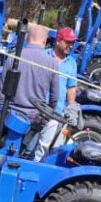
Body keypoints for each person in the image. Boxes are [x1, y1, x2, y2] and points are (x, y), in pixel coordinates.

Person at [34, 27, 79, 158]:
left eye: (72, 43)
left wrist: (71, 106)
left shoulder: (72, 63)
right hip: (35, 108)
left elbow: (71, 87)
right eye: (68, 42)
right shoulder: (43, 55)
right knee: (27, 142)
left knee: (43, 147)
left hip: (55, 113)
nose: (70, 46)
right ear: (58, 41)